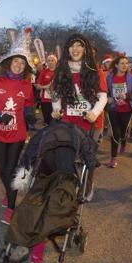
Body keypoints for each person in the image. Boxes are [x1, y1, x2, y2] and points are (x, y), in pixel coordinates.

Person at [0, 42, 35, 225]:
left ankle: (11, 207)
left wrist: (29, 114)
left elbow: (28, 103)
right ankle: (9, 191)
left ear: (25, 67)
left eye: (23, 63)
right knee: (2, 170)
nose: (19, 65)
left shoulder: (26, 85)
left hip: (17, 135)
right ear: (10, 62)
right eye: (16, 61)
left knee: (10, 170)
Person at [51, 33, 108, 201]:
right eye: (72, 46)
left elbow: (103, 96)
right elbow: (55, 94)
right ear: (67, 49)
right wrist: (56, 110)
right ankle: (70, 186)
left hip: (90, 123)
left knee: (88, 159)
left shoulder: (94, 70)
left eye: (79, 45)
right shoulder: (62, 70)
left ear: (85, 49)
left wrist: (94, 113)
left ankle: (87, 186)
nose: (75, 49)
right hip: (68, 122)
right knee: (67, 158)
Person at [106, 55, 132, 168]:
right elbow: (103, 90)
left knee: (122, 132)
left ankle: (124, 140)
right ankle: (113, 158)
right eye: (122, 63)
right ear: (116, 65)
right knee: (115, 133)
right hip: (113, 109)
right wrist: (107, 97)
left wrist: (127, 96)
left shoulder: (131, 78)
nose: (125, 65)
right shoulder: (109, 78)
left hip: (126, 110)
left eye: (126, 63)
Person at [35, 54, 57, 126]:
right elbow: (37, 86)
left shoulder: (59, 72)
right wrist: (46, 86)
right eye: (49, 61)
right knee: (47, 121)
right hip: (45, 100)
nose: (50, 62)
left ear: (55, 62)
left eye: (52, 60)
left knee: (56, 120)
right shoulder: (43, 72)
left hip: (56, 100)